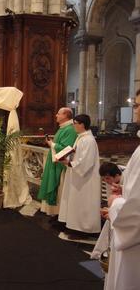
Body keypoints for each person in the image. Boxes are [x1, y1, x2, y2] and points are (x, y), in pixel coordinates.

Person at [104, 89, 140, 290]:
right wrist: (125, 189)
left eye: (137, 105)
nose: (134, 110)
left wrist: (115, 203)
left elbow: (134, 215)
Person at [58, 114, 101, 234]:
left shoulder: (88, 140)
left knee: (84, 203)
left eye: (75, 123)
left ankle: (85, 228)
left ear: (82, 124)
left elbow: (85, 162)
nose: (73, 126)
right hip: (77, 176)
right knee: (76, 201)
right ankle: (75, 225)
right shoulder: (81, 137)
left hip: (85, 179)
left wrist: (69, 163)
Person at [38, 107, 77, 216]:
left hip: (60, 164)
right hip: (54, 161)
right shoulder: (63, 128)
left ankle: (60, 213)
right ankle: (53, 211)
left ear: (65, 115)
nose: (56, 115)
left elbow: (67, 148)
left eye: (59, 114)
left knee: (59, 188)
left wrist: (52, 144)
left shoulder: (70, 129)